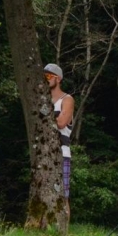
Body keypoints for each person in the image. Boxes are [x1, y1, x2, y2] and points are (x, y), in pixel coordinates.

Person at [45, 63, 74, 200]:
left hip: (61, 153)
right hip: (44, 154)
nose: (46, 79)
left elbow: (61, 123)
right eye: (43, 77)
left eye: (48, 76)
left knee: (62, 197)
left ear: (58, 78)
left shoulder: (66, 99)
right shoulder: (43, 101)